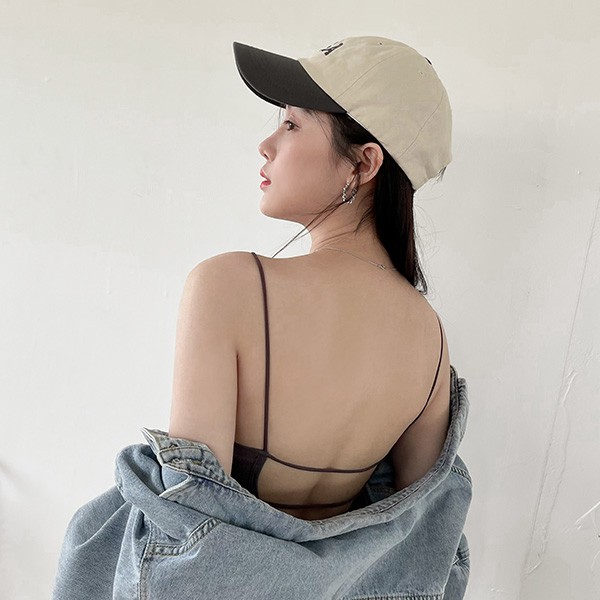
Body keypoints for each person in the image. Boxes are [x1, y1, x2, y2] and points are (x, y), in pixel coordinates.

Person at [52, 36, 472, 600]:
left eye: (293, 125)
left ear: (365, 162)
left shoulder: (229, 286)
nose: (266, 145)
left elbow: (188, 524)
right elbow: (420, 542)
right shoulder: (430, 336)